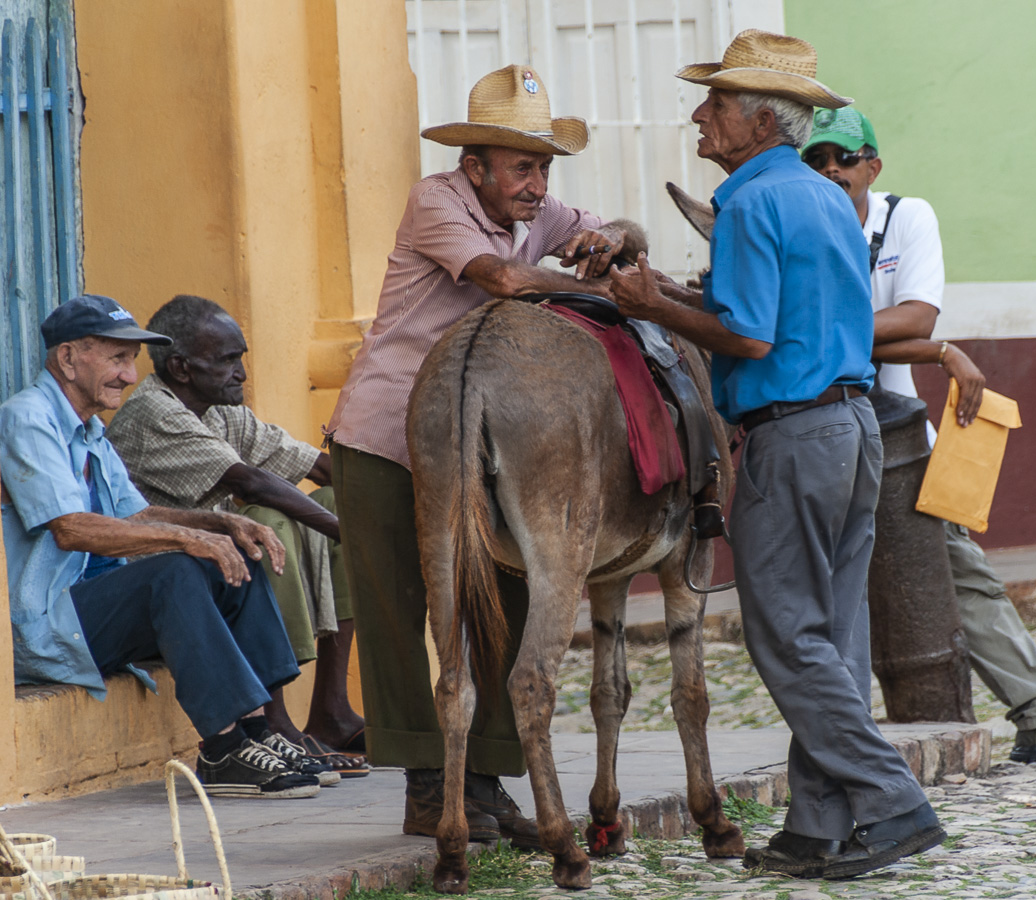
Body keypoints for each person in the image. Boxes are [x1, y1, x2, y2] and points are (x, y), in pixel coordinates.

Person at [609, 30, 945, 879]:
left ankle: (891, 800)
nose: (700, 115)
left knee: (787, 638)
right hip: (853, 426)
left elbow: (750, 337)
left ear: (761, 121)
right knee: (829, 635)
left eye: (716, 103)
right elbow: (787, 311)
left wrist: (651, 305)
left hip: (791, 436)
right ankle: (816, 823)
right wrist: (675, 295)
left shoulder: (751, 204)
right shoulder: (825, 196)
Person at [324, 63, 633, 848]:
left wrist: (610, 239)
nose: (538, 186)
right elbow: (501, 278)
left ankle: (487, 781)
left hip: (485, 445)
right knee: (400, 612)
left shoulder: (535, 207)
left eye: (545, 169)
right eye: (523, 167)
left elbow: (616, 230)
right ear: (474, 167)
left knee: (506, 602)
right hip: (387, 439)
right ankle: (428, 786)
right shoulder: (436, 200)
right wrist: (599, 291)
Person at [800, 107, 1036, 765]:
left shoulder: (905, 218)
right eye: (817, 159)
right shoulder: (798, 226)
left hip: (897, 436)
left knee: (958, 569)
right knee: (818, 590)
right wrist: (934, 350)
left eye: (844, 158)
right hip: (812, 434)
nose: (831, 170)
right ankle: (838, 741)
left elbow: (915, 314)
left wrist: (891, 338)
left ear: (872, 166)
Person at [0, 294, 324, 798]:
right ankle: (222, 749)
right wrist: (187, 537)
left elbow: (136, 514)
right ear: (67, 358)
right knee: (174, 571)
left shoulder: (90, 430)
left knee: (236, 551)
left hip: (91, 612)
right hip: (45, 626)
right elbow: (70, 528)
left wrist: (218, 525)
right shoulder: (28, 418)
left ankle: (259, 731)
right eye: (118, 359)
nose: (130, 376)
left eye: (131, 361)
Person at [106, 295, 368, 779]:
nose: (242, 373)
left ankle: (331, 709)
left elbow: (313, 465)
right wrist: (355, 537)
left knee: (338, 505)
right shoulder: (154, 413)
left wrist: (402, 508)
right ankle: (275, 721)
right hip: (172, 596)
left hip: (218, 580)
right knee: (269, 522)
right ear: (181, 368)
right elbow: (251, 482)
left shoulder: (221, 411)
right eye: (228, 360)